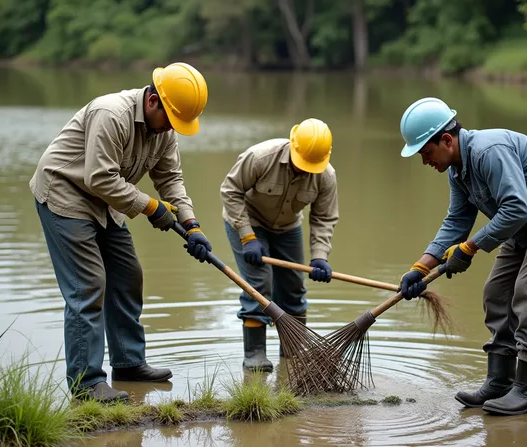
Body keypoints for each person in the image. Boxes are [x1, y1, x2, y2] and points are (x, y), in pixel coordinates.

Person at [29, 62, 213, 403]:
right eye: (171, 120)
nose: (171, 129)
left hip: (108, 203)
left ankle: (128, 364)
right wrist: (149, 206)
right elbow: (99, 178)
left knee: (128, 276)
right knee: (89, 286)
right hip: (66, 195)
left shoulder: (164, 130)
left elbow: (170, 180)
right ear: (154, 101)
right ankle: (87, 384)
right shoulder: (111, 114)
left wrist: (192, 226)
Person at [396, 97, 527, 415]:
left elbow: (517, 207)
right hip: (523, 224)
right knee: (496, 294)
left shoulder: (489, 151)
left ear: (446, 140)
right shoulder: (457, 170)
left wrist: (470, 248)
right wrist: (421, 266)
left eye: (426, 152)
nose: (425, 161)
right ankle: (500, 381)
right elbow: (457, 221)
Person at [220, 118, 339, 372]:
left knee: (294, 286)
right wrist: (248, 237)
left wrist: (320, 257)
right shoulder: (261, 157)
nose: (305, 171)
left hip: (287, 227)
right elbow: (230, 191)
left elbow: (324, 217)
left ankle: (292, 353)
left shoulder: (326, 176)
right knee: (259, 283)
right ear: (292, 146)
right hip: (247, 221)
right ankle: (255, 355)